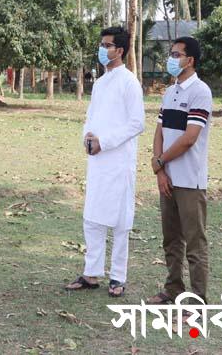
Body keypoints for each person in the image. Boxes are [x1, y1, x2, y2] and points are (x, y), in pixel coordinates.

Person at [65, 27, 145, 297]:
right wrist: (87, 138)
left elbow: (137, 123)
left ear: (119, 50)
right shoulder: (100, 83)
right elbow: (91, 117)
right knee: (92, 218)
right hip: (97, 161)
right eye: (101, 44)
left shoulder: (129, 82)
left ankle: (118, 277)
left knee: (121, 222)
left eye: (107, 45)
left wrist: (105, 141)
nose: (102, 49)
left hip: (119, 161)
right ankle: (91, 273)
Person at [147, 36, 212, 305]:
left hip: (190, 180)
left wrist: (160, 161)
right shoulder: (170, 91)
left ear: (190, 60)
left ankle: (198, 299)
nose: (171, 58)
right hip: (168, 178)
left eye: (176, 54)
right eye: (171, 54)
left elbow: (189, 138)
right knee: (171, 239)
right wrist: (160, 170)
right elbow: (160, 130)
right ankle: (173, 289)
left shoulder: (201, 92)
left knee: (195, 244)